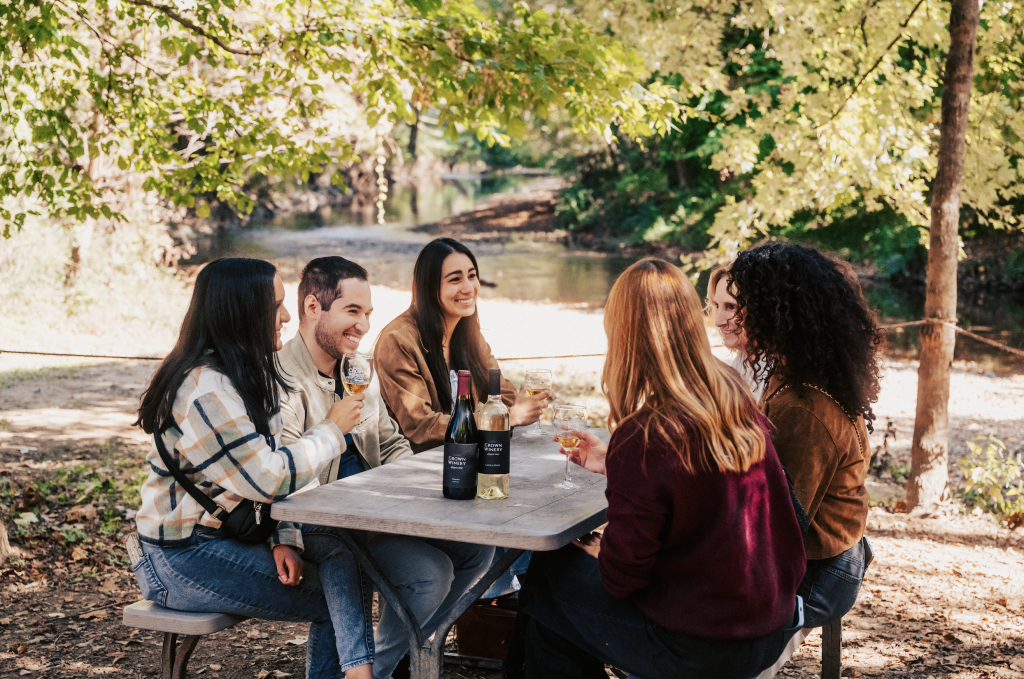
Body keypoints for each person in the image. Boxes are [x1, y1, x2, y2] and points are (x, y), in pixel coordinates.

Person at [518, 258, 807, 679]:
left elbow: (621, 579)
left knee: (549, 578)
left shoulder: (647, 434)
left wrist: (599, 548)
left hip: (701, 646)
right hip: (767, 620)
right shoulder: (729, 392)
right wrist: (615, 466)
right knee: (561, 599)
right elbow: (696, 499)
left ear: (623, 333)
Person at [133, 258, 374, 679]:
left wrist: (285, 538)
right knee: (334, 597)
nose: (285, 316)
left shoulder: (247, 372)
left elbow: (269, 470)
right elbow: (269, 476)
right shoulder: (205, 388)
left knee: (342, 547)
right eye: (276, 305)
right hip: (182, 557)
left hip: (228, 534)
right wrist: (331, 431)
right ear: (241, 312)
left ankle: (357, 675)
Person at [277, 256, 493, 679]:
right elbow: (285, 476)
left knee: (477, 549)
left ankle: (392, 660)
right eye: (352, 312)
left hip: (377, 506)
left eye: (368, 313)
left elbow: (391, 441)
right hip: (322, 521)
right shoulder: (281, 377)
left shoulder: (358, 367)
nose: (363, 325)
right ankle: (375, 670)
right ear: (312, 308)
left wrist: (416, 488)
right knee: (431, 575)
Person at [727, 242, 879, 628]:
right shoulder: (801, 372)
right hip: (824, 561)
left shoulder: (802, 407)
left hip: (819, 580)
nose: (731, 318)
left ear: (777, 313)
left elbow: (777, 526)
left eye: (743, 305)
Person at [373, 238, 549, 453]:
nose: (469, 288)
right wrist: (504, 418)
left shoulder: (469, 335)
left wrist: (522, 405)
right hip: (418, 465)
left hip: (468, 455)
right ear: (429, 287)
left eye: (472, 276)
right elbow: (420, 426)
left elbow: (504, 396)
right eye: (455, 279)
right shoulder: (398, 340)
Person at [707, 265, 764, 400]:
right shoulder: (741, 362)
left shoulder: (778, 375)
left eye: (731, 307)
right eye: (716, 306)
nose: (718, 322)